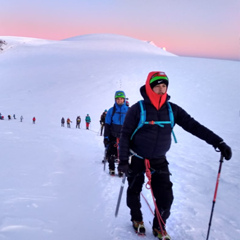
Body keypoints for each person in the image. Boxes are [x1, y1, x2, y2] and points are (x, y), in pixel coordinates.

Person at [118, 71, 232, 239]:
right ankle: (137, 219)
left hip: (159, 160)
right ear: (149, 88)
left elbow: (194, 126)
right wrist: (123, 160)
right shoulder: (137, 109)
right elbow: (125, 134)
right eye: (157, 87)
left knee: (166, 198)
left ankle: (159, 226)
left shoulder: (172, 110)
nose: (161, 90)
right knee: (134, 191)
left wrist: (218, 142)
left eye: (164, 86)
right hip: (137, 158)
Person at [104, 90, 129, 176]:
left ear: (124, 99)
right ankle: (111, 168)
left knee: (123, 153)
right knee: (111, 152)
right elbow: (107, 124)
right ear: (115, 100)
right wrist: (106, 137)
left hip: (125, 136)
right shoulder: (111, 111)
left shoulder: (129, 110)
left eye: (121, 99)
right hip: (113, 135)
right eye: (117, 99)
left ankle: (121, 169)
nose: (119, 100)